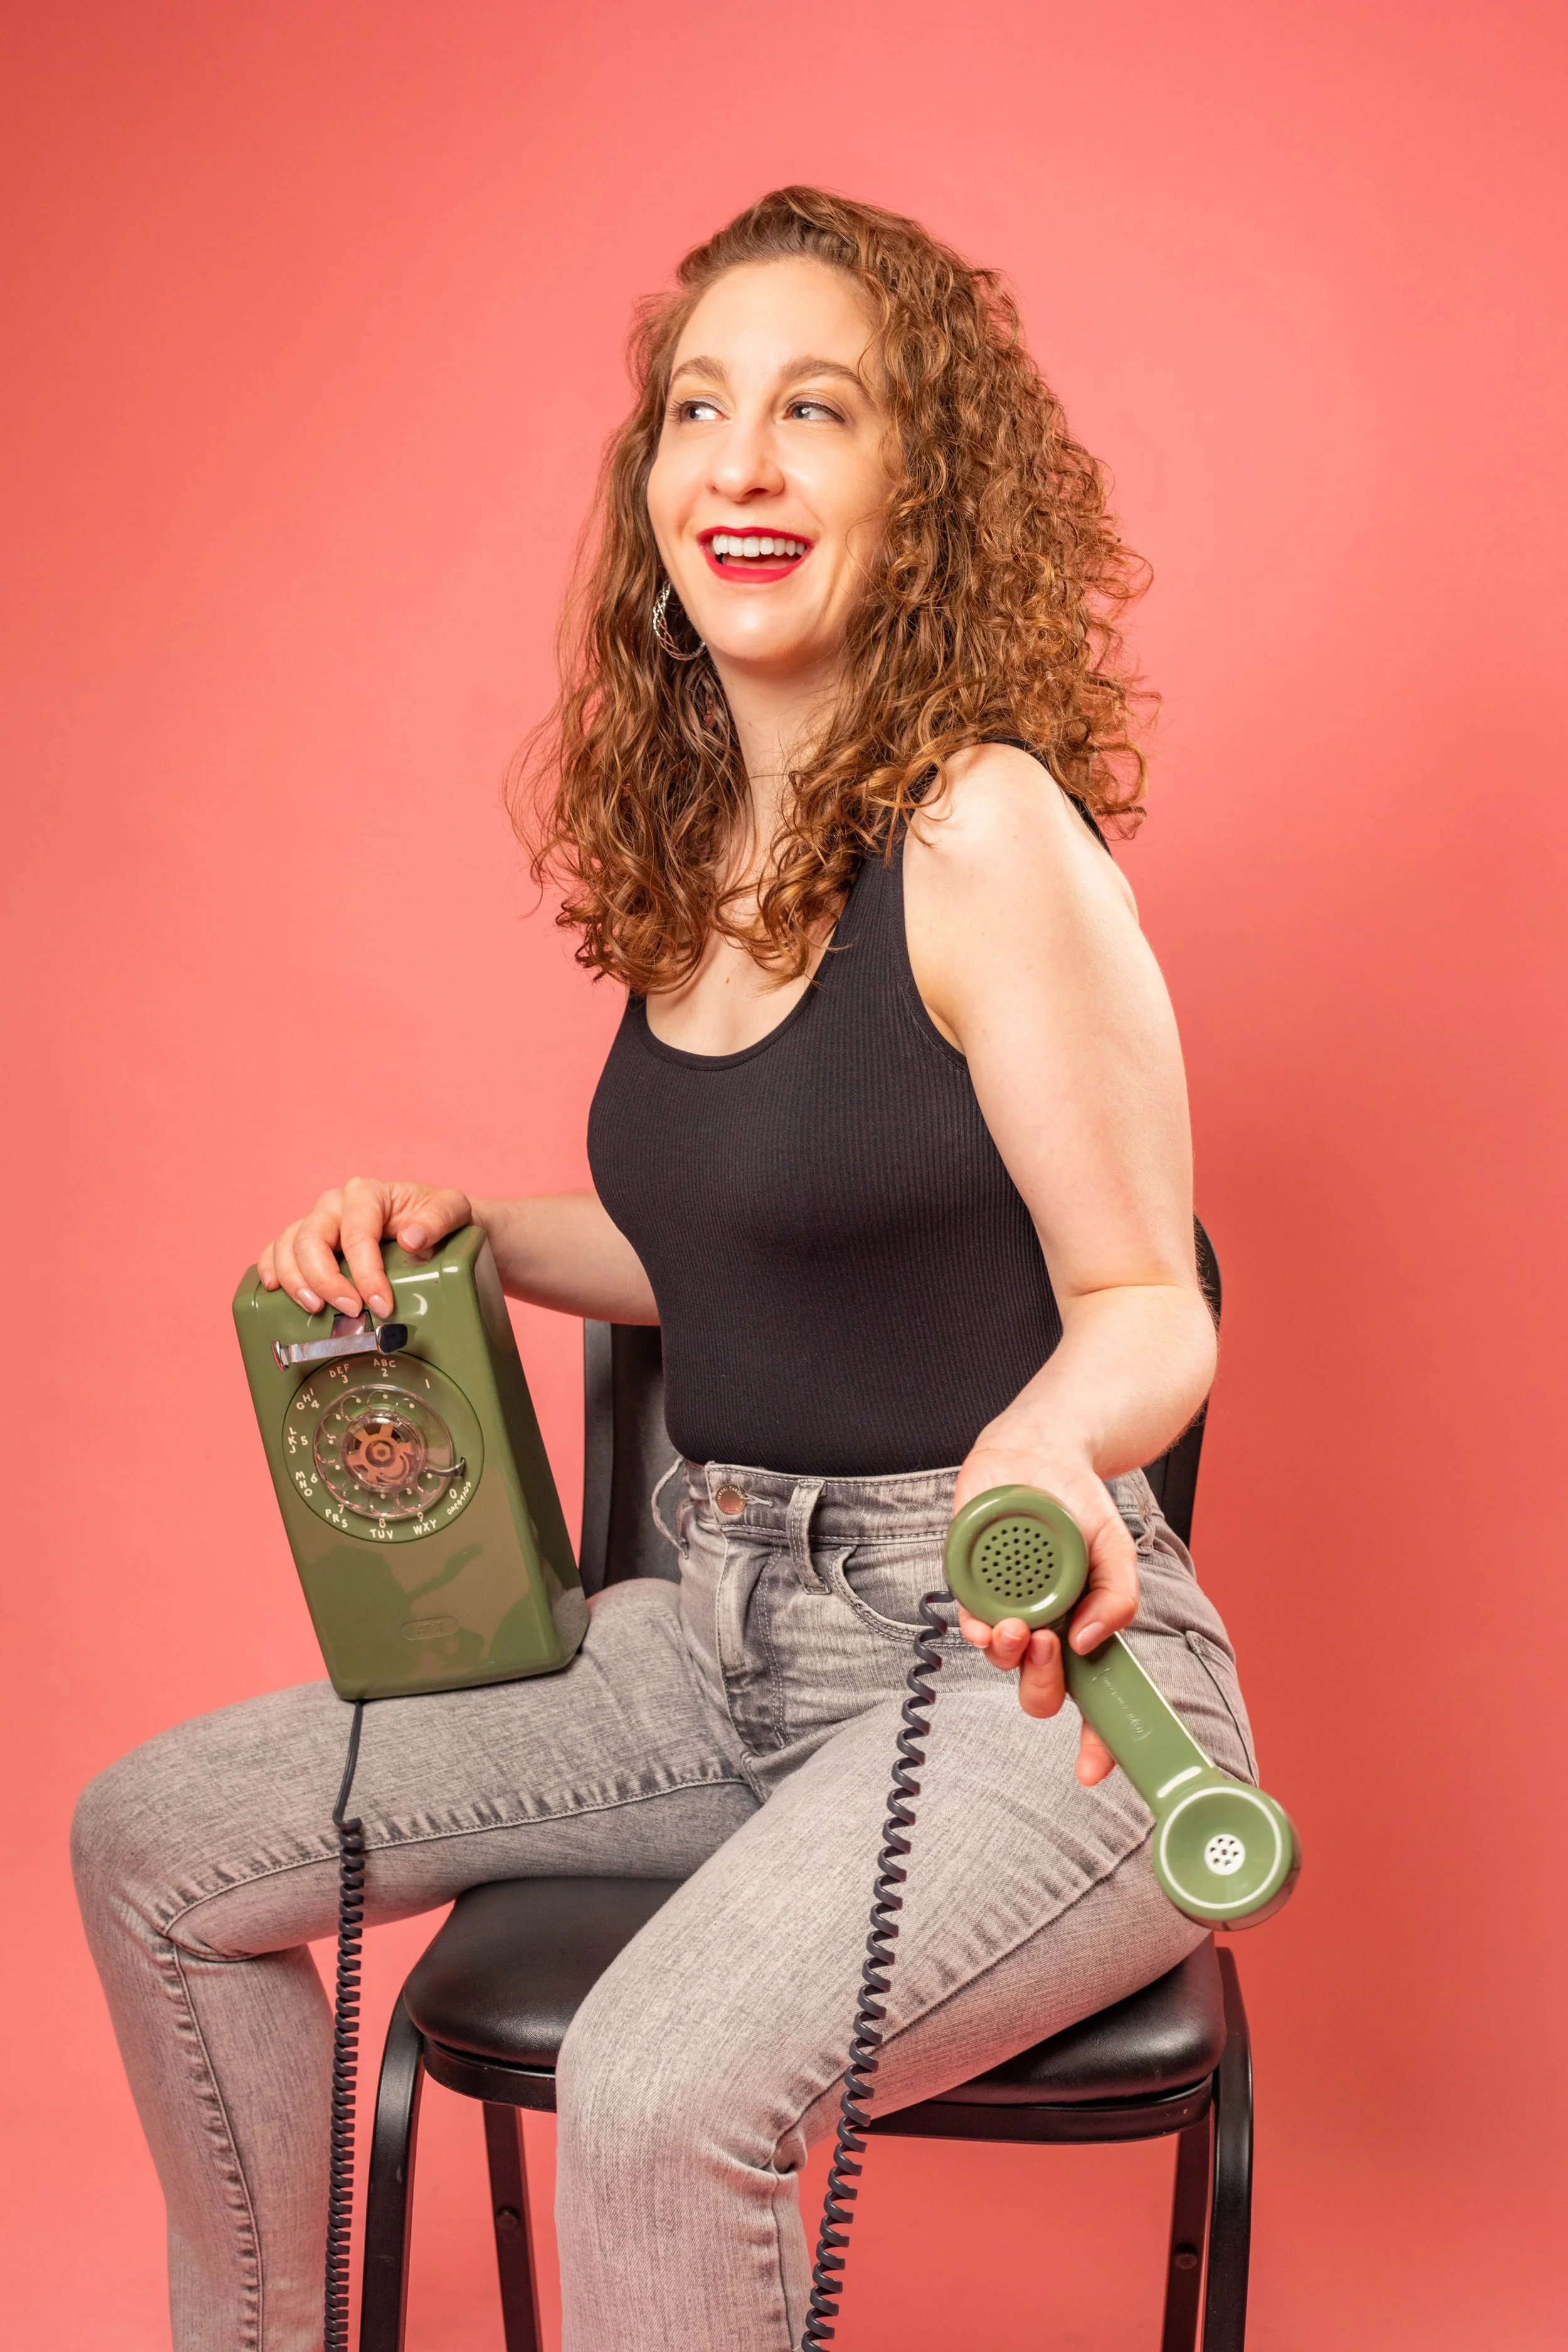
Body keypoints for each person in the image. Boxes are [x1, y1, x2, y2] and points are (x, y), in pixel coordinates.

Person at [73, 186, 1256, 2352]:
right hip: (709, 1639)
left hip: (1023, 1692)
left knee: (652, 2082)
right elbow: (727, 1235)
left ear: (926, 486)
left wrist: (1039, 1458)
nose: (739, 461)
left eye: (815, 410)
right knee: (155, 1844)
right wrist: (468, 1231)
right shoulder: (715, 843)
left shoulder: (987, 833)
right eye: (698, 409)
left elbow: (1146, 1299)